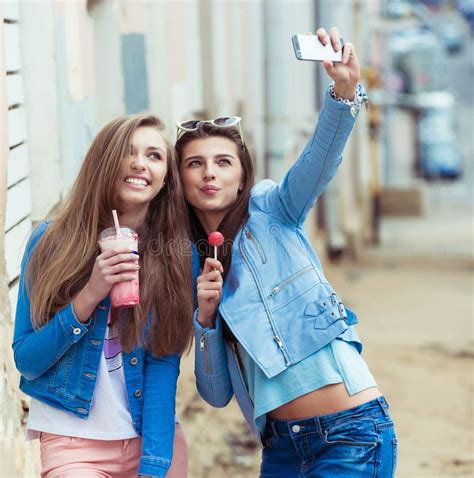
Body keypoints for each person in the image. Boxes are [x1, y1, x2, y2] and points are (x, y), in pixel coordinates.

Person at [176, 27, 398, 477]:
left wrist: (343, 90)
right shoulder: (193, 266)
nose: (209, 174)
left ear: (242, 176)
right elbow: (216, 393)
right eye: (195, 164)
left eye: (223, 162)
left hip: (349, 434)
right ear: (180, 181)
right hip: (281, 452)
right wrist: (205, 317)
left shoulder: (273, 209)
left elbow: (321, 158)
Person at [13, 113, 194, 477]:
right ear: (105, 161)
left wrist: (155, 466)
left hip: (152, 438)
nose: (140, 163)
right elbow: (27, 360)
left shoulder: (176, 255)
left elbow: (163, 367)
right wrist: (90, 294)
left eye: (154, 156)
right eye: (128, 152)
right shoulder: (50, 244)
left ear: (165, 180)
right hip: (73, 446)